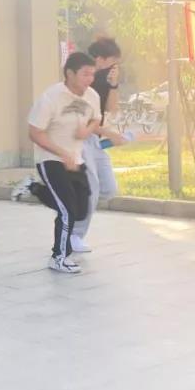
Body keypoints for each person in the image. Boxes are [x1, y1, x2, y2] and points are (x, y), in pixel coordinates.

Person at [27, 52, 102, 274]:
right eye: (85, 74)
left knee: (80, 211)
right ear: (70, 73)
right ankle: (59, 257)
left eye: (92, 74)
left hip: (76, 159)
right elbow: (35, 132)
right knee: (68, 210)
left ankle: (34, 188)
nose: (90, 79)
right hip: (51, 160)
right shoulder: (51, 98)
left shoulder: (92, 96)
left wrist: (86, 131)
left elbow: (97, 118)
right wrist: (62, 153)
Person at [69, 38, 128, 253]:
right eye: (112, 62)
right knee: (92, 189)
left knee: (108, 188)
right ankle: (74, 235)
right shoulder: (82, 84)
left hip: (94, 139)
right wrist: (111, 134)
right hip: (79, 140)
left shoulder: (104, 81)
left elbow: (112, 110)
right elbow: (82, 122)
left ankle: (70, 202)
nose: (115, 67)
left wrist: (113, 85)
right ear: (99, 60)